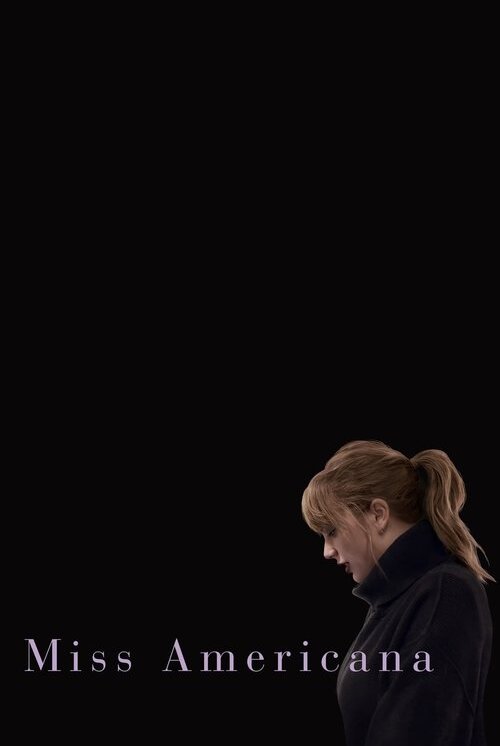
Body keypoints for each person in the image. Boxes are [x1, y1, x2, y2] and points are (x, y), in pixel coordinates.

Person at [301, 440, 493, 746]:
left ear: (378, 514)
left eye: (332, 530)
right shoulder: (397, 600)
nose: (327, 551)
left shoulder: (444, 593)